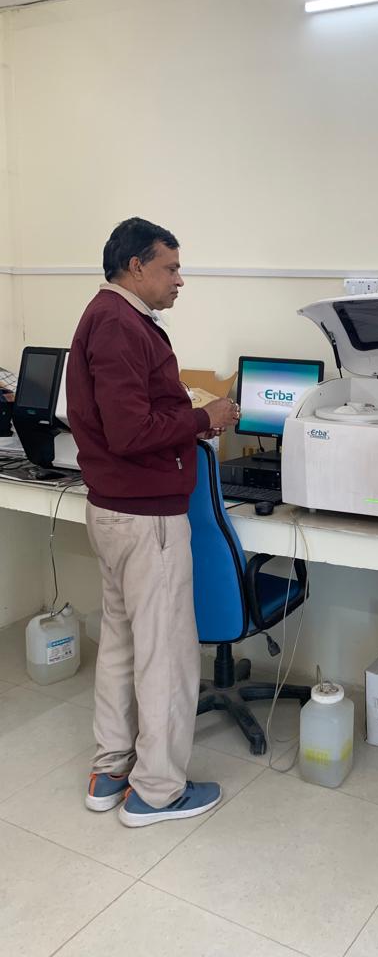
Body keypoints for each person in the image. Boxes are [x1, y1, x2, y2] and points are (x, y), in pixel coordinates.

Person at [66, 217, 239, 828]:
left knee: (120, 643)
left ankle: (111, 770)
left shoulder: (112, 318)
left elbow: (128, 417)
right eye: (171, 267)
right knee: (165, 656)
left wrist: (184, 414)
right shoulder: (119, 323)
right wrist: (204, 419)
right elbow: (130, 431)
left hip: (115, 511)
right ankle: (158, 792)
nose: (179, 280)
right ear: (135, 266)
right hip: (147, 520)